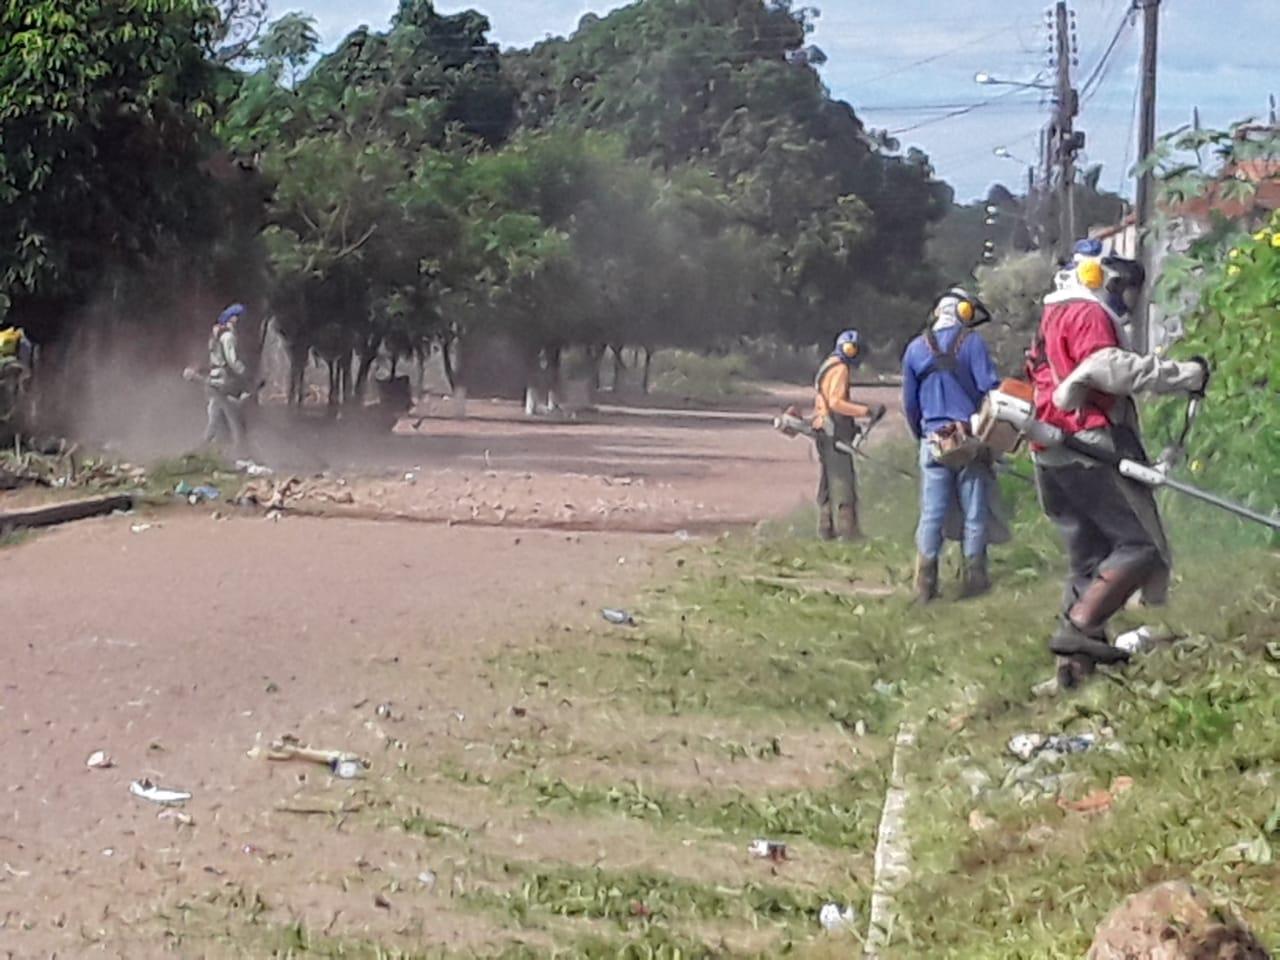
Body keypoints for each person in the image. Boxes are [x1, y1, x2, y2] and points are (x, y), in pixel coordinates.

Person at [1027, 241, 1208, 689]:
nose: (1126, 298)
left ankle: (1073, 672)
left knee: (1086, 556)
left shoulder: (1053, 312)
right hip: (1088, 441)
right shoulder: (1086, 313)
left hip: (1051, 447)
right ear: (1099, 277)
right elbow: (1111, 369)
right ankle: (1079, 629)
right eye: (1123, 286)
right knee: (1141, 545)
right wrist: (1186, 375)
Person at [902, 288, 1003, 602]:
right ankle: (974, 579)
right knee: (974, 511)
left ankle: (925, 583)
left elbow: (910, 403)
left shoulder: (915, 348)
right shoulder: (971, 343)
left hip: (933, 438)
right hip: (968, 437)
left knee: (931, 513)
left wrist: (921, 434)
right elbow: (990, 389)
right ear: (964, 313)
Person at [811, 329, 885, 540]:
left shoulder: (828, 364)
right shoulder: (841, 368)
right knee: (843, 481)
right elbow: (836, 403)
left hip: (823, 429)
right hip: (832, 433)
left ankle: (825, 529)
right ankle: (847, 532)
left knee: (828, 481)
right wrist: (866, 411)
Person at [189, 303, 251, 456]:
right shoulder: (228, 337)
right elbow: (232, 361)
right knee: (234, 418)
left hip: (213, 382)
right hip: (223, 383)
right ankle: (240, 452)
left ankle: (203, 451)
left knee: (215, 418)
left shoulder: (216, 335)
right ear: (234, 319)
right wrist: (246, 375)